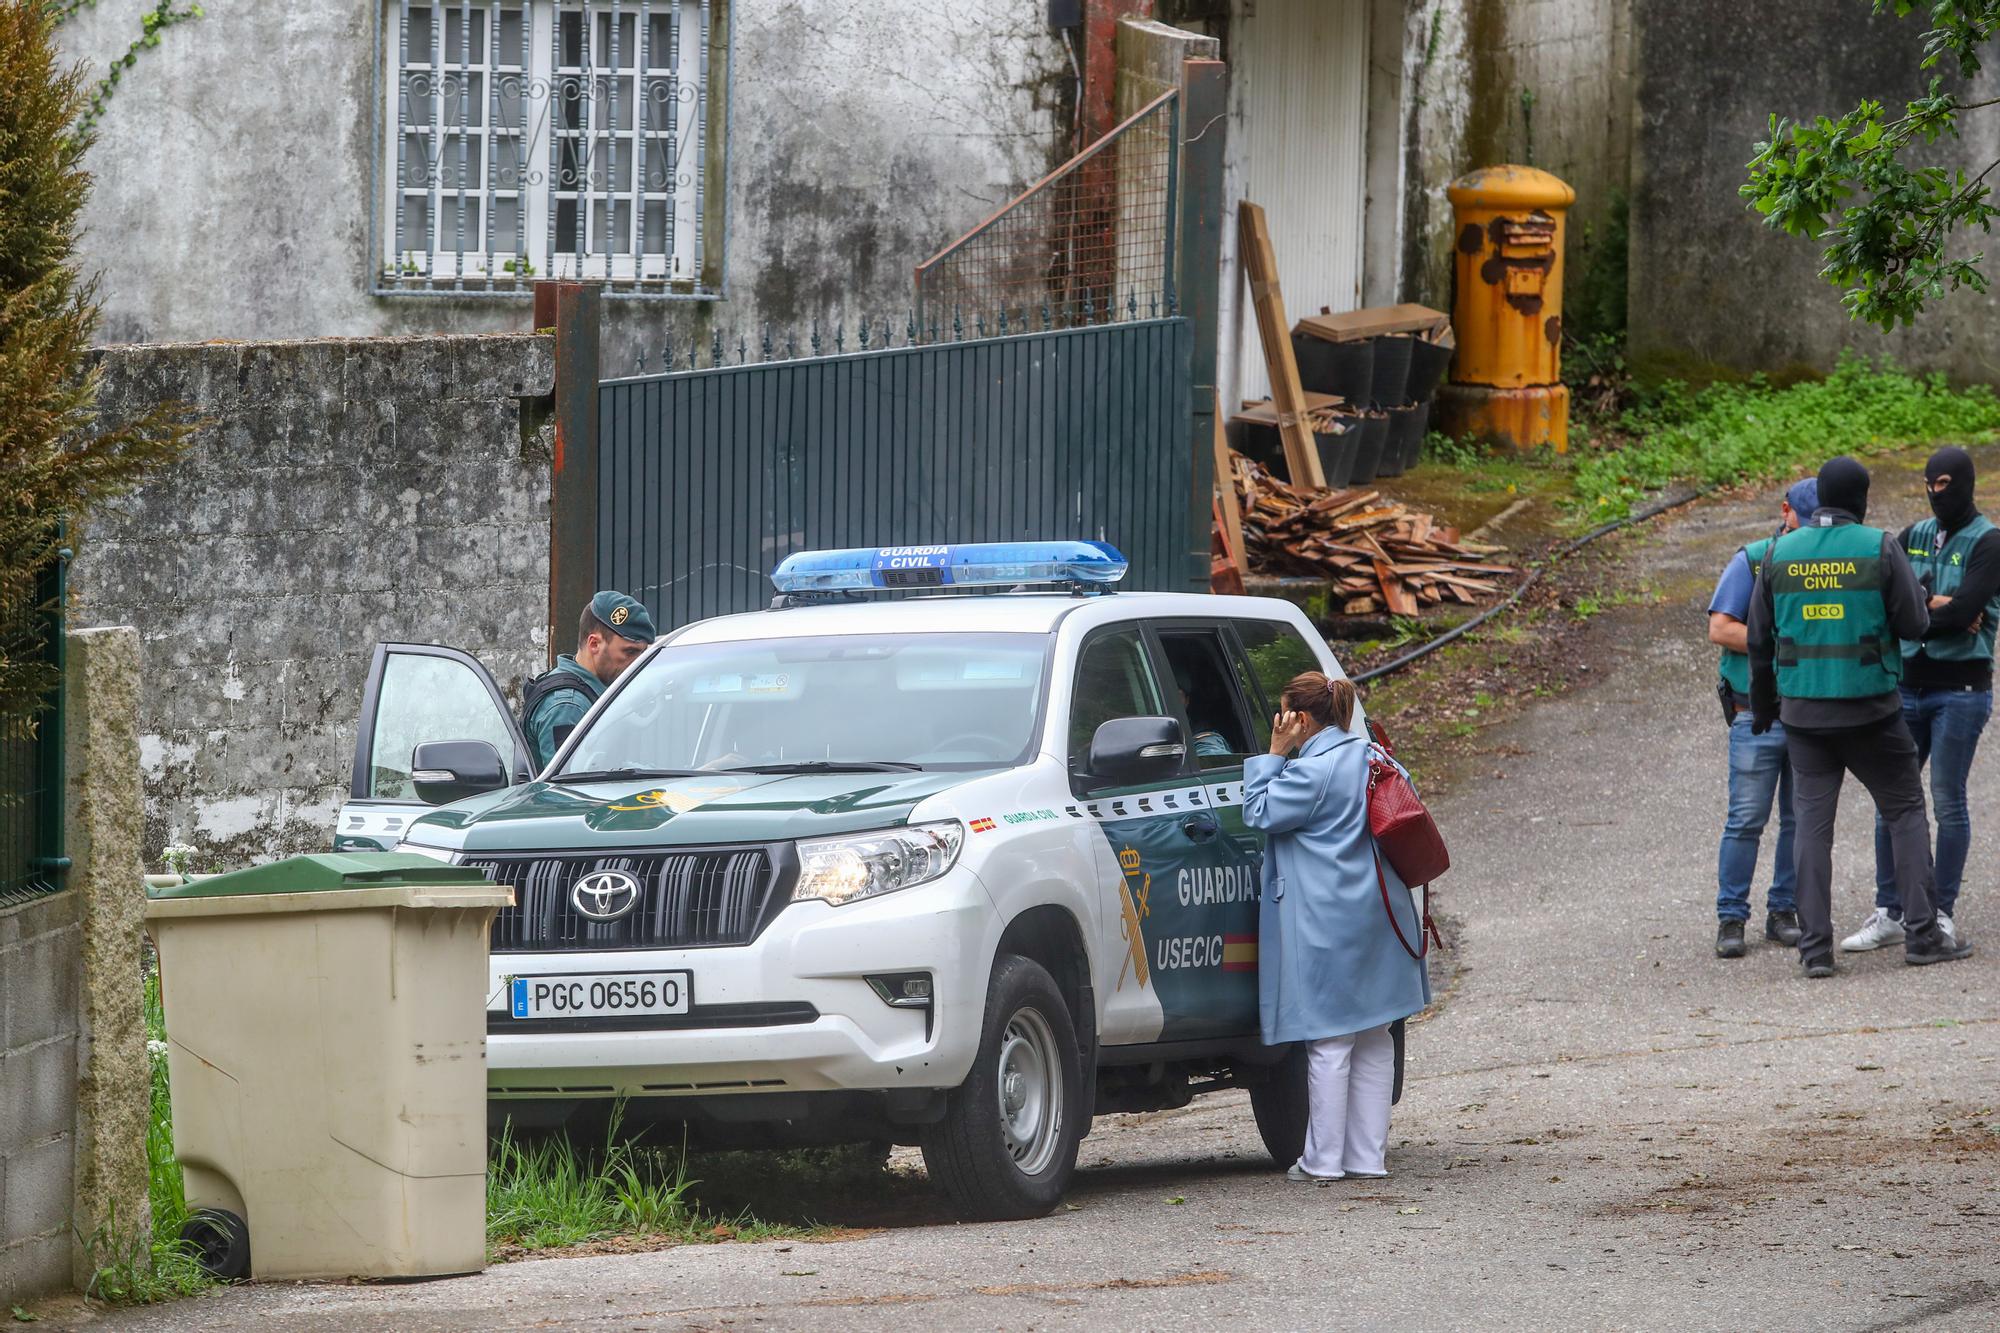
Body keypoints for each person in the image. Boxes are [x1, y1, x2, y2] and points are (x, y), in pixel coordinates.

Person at [1747, 457, 1973, 976]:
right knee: (1905, 812)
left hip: (1804, 716)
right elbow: (1916, 624)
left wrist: (1764, 706)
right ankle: (1922, 936)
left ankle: (1815, 951)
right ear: (1861, 499)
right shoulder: (1879, 546)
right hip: (1872, 712)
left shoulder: (1780, 552)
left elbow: (1759, 639)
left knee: (1811, 827)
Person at [1243, 672, 1431, 1181]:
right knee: (1374, 1036)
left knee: (1328, 1041)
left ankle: (1323, 1160)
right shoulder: (1375, 756)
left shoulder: (1311, 770)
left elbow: (1259, 811)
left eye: (1284, 715)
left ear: (1301, 719)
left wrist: (1274, 753)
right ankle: (1367, 1159)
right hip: (1381, 914)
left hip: (1328, 920)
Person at [1845, 446, 1998, 953]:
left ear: (1967, 483)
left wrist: (1924, 602)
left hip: (1961, 691)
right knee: (1891, 802)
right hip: (1905, 688)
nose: (1936, 493)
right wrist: (1937, 604)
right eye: (1929, 484)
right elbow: (1885, 605)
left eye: (1946, 483)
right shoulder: (1910, 536)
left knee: (1948, 803)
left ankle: (1941, 913)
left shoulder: (1990, 542)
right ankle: (1891, 910)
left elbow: (1965, 613)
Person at [1707, 478, 1816, 958]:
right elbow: (1721, 627)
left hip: (1809, 714)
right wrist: (1780, 648)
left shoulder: (1824, 564)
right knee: (1746, 819)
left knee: (1800, 819)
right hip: (1756, 715)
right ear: (1785, 511)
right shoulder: (1751, 560)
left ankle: (1783, 912)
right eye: (1803, 523)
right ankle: (1731, 918)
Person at [521, 591, 656, 769]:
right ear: (594, 644)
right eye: (629, 652)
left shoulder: (592, 693)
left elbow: (602, 766)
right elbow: (566, 786)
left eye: (643, 653)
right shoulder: (567, 706)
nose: (638, 662)